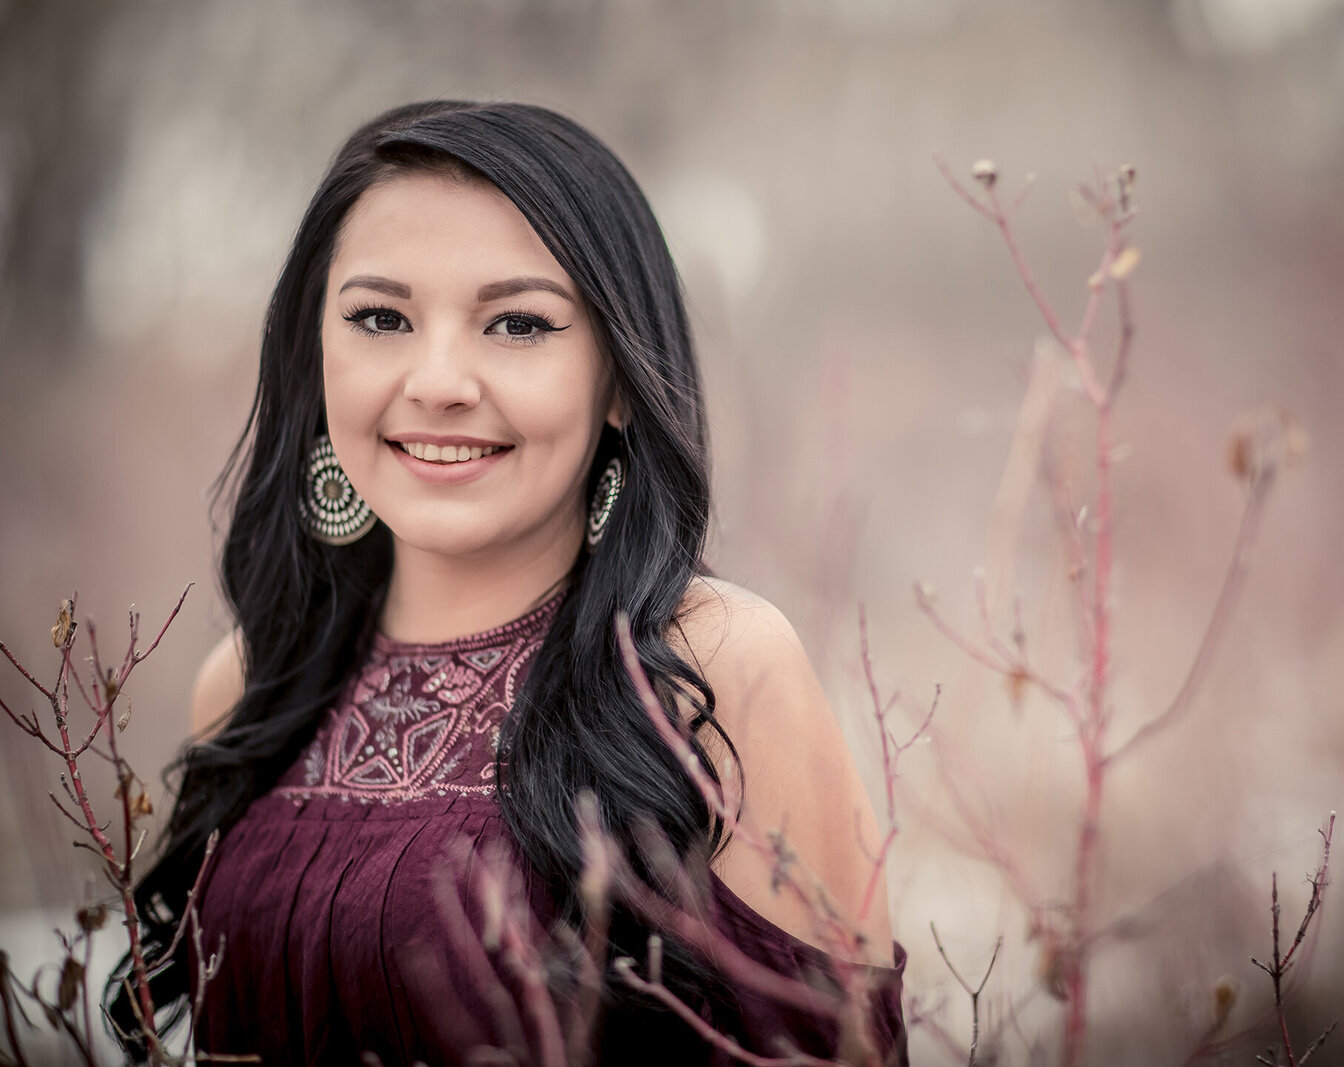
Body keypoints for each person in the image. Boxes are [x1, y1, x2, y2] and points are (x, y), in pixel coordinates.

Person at [116, 101, 906, 1065]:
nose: (439, 379)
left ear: (617, 378)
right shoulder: (249, 683)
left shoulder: (715, 670)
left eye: (517, 323)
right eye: (380, 317)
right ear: (315, 358)